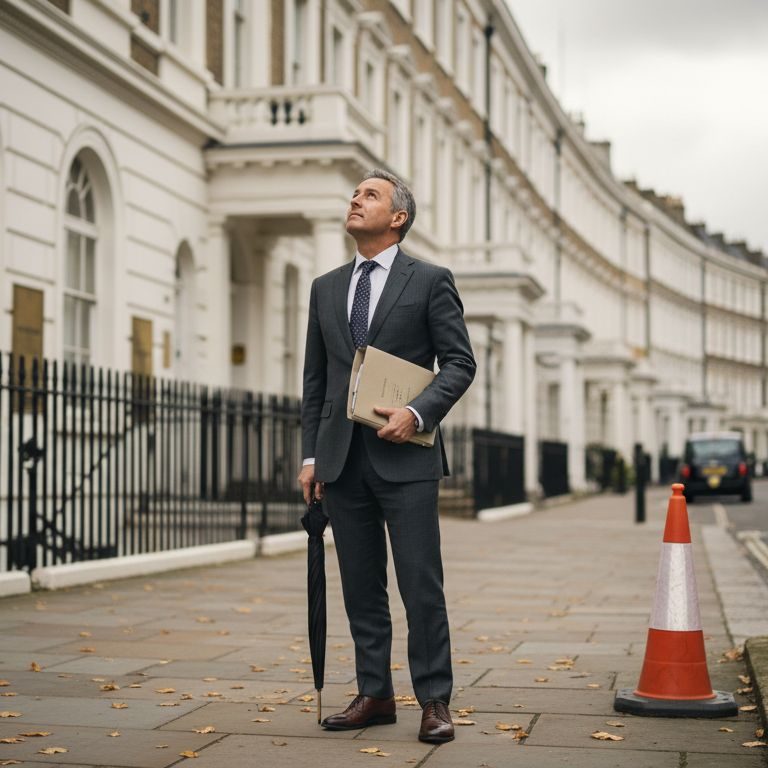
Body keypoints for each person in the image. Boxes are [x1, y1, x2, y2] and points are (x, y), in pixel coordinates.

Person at [298, 168, 476, 744]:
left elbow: (459, 363)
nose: (356, 199)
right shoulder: (325, 287)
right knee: (360, 585)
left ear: (398, 217)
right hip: (342, 460)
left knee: (421, 584)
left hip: (407, 460)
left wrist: (418, 412)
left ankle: (434, 699)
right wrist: (310, 458)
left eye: (369, 195)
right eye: (355, 193)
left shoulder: (430, 280)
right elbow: (317, 381)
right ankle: (374, 693)